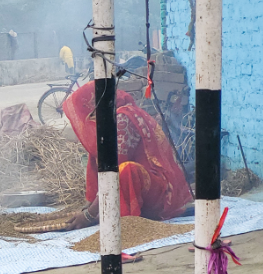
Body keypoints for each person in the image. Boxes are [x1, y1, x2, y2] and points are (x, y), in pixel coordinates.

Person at [63, 82, 192, 230]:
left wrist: (89, 215)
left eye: (89, 114)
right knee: (97, 152)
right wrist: (86, 209)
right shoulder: (112, 118)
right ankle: (105, 210)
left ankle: (129, 225)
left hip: (160, 195)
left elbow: (112, 173)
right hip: (138, 190)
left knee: (126, 169)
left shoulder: (125, 118)